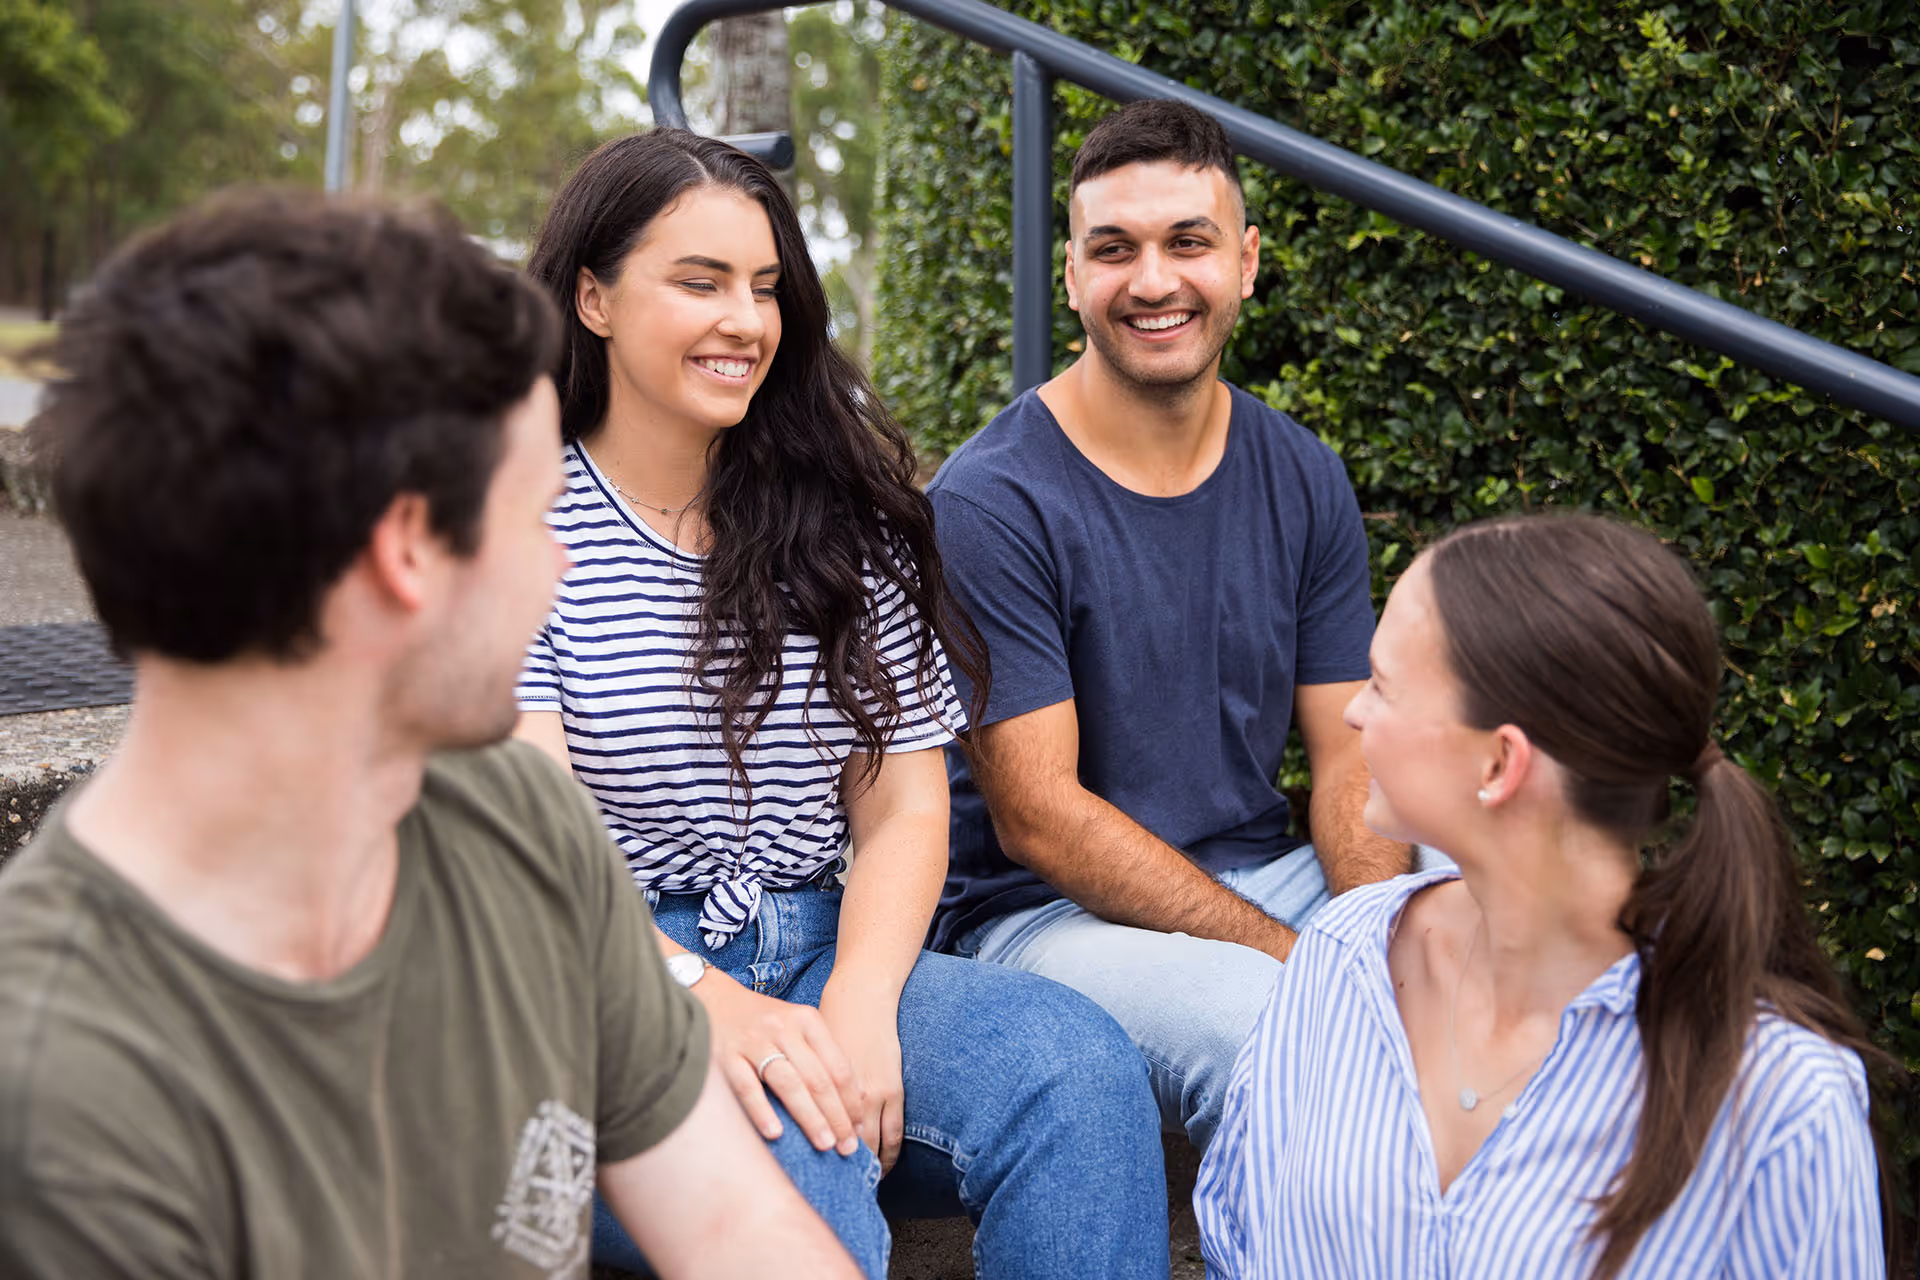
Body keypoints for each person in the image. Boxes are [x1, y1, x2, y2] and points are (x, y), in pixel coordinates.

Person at [0, 190, 859, 1279]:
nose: (558, 566)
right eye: (535, 514)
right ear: (409, 550)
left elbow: (737, 1231)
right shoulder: (62, 1094)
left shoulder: (526, 821)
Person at [516, 129, 1168, 1279]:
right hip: (604, 986)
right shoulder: (516, 530)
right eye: (700, 280)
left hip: (829, 943)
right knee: (798, 1148)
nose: (746, 321)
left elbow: (907, 805)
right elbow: (537, 843)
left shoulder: (841, 522)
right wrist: (701, 994)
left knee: (1077, 1067)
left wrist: (863, 999)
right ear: (593, 298)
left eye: (766, 287)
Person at [1196, 512, 1892, 1278]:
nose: (1354, 710)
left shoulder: (1782, 1103)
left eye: (1385, 687)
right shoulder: (1343, 953)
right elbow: (1239, 1238)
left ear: (1500, 764)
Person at [926, 97, 1412, 1149]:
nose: (1153, 281)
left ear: (1243, 262)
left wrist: (1368, 926)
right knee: (1283, 1032)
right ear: (1071, 276)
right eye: (1114, 250)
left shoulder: (1302, 471)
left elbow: (1350, 752)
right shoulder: (989, 502)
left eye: (1186, 242)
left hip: (1259, 872)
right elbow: (1040, 817)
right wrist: (1300, 960)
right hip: (1041, 916)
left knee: (1517, 910)